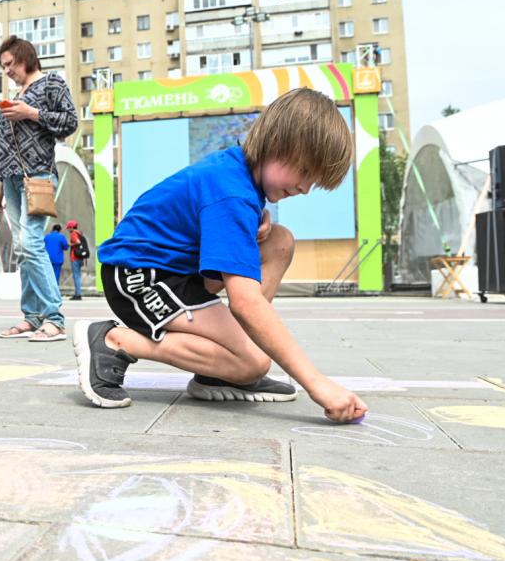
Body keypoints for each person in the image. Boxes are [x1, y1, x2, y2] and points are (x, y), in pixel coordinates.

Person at [74, 88, 368, 424]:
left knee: (280, 240)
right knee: (253, 362)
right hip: (139, 275)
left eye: (313, 182)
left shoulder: (241, 174)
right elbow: (245, 303)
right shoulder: (230, 192)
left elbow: (221, 268)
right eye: (305, 172)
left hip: (178, 272)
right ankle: (114, 339)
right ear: (279, 144)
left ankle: (217, 370)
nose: (305, 188)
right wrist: (318, 384)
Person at [0, 36, 77, 343]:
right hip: (12, 180)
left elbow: (70, 123)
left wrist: (31, 113)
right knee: (21, 247)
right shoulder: (18, 95)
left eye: (9, 64)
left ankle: (54, 318)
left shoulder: (52, 83)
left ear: (24, 57)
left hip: (39, 176)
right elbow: (5, 145)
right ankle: (31, 316)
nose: (7, 71)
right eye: (3, 67)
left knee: (30, 243)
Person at [67, 220, 87, 300]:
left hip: (75, 257)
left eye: (69, 228)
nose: (68, 230)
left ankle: (78, 294)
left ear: (72, 227)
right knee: (77, 275)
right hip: (80, 257)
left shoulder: (74, 233)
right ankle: (77, 293)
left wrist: (70, 244)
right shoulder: (80, 233)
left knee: (76, 276)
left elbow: (77, 242)